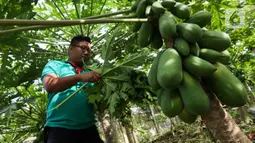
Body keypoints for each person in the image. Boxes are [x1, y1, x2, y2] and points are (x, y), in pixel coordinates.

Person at [41, 35, 103, 143]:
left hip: (88, 127)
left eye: (89, 50)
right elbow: (50, 85)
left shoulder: (91, 72)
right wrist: (79, 77)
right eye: (83, 48)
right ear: (71, 48)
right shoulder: (55, 65)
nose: (86, 52)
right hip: (60, 127)